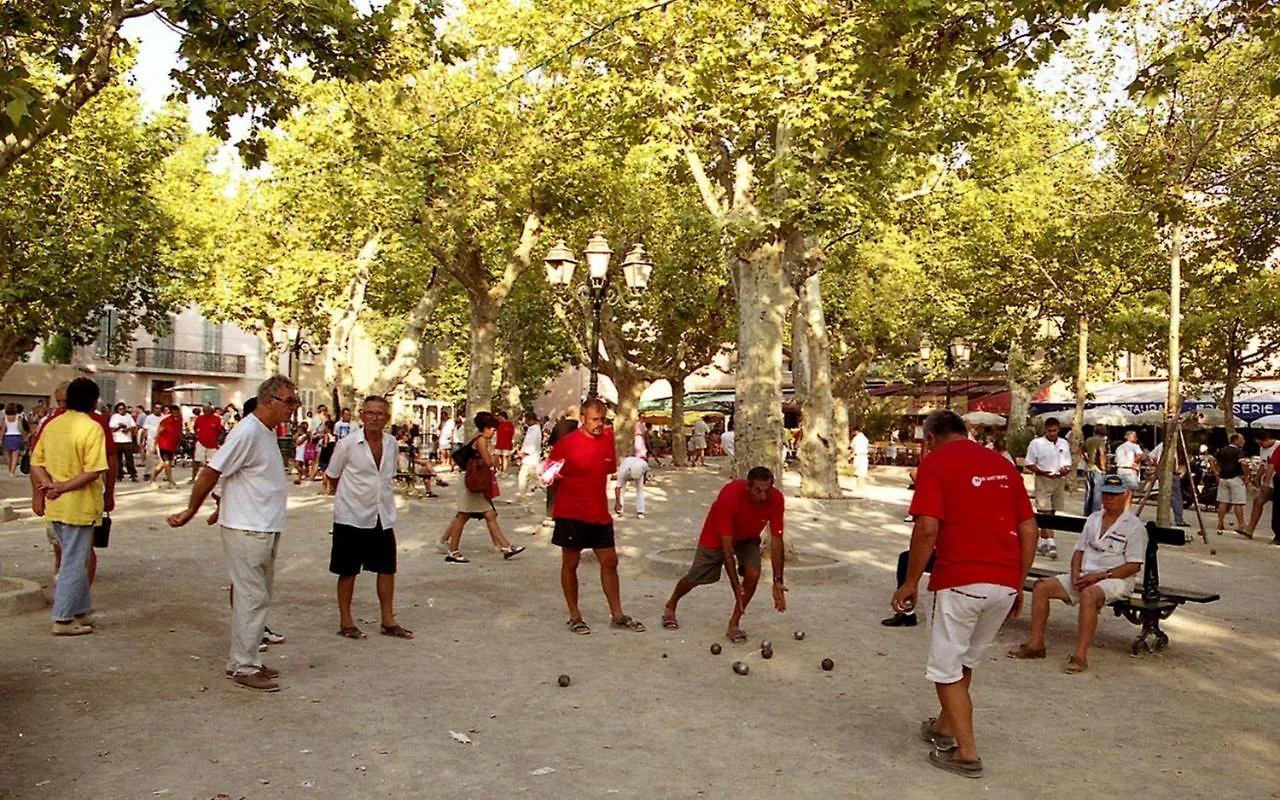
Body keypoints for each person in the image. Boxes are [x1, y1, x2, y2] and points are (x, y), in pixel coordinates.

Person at [890, 410, 1038, 779]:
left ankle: (966, 753)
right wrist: (1017, 582)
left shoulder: (935, 463)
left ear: (930, 438)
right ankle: (943, 725)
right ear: (965, 431)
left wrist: (910, 582)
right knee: (964, 660)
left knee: (945, 668)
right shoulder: (1002, 465)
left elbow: (926, 528)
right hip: (1003, 580)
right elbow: (1030, 530)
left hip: (960, 578)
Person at [167, 375, 299, 693]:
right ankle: (243, 665)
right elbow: (213, 471)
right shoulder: (248, 431)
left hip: (263, 524)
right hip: (247, 528)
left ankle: (246, 657)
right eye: (289, 401)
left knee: (257, 596)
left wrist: (222, 504)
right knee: (251, 597)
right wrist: (190, 510)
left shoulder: (265, 432)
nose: (293, 408)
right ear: (269, 400)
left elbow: (240, 479)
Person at [1009, 474, 1146, 674]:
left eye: (1115, 495)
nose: (1109, 498)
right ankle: (1036, 644)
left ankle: (1080, 655)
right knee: (1041, 587)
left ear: (1125, 495)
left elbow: (1134, 565)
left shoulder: (1134, 526)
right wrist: (1074, 574)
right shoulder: (1093, 518)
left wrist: (1099, 576)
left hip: (1115, 579)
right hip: (1086, 574)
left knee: (1089, 594)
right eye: (1106, 494)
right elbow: (1079, 551)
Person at [549, 398, 644, 635]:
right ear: (583, 418)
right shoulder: (566, 444)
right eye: (595, 419)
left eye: (602, 419)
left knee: (610, 561)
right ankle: (575, 615)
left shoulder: (606, 442)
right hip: (570, 513)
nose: (600, 424)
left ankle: (617, 614)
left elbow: (607, 474)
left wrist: (616, 501)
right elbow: (549, 473)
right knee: (571, 563)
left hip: (598, 513)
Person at [661, 467, 787, 640]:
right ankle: (671, 604)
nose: (763, 496)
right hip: (717, 535)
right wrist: (735, 585)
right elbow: (726, 548)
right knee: (695, 576)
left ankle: (734, 623)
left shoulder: (776, 499)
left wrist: (777, 580)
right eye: (758, 491)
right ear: (748, 487)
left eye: (767, 490)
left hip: (748, 537)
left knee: (754, 573)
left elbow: (777, 541)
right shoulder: (730, 495)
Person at [325, 395, 412, 640]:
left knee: (387, 569)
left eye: (380, 414)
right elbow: (332, 474)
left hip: (382, 514)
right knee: (348, 570)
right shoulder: (348, 444)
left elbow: (388, 475)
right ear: (361, 415)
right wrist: (344, 497)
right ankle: (346, 621)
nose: (374, 417)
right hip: (351, 515)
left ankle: (388, 620)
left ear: (387, 417)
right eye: (370, 412)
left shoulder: (392, 443)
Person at [31, 378, 110, 636]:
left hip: (56, 506)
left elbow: (36, 462)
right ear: (94, 401)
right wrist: (61, 487)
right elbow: (95, 470)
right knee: (74, 563)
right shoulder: (92, 427)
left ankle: (81, 611)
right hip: (78, 506)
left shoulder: (52, 425)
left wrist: (48, 487)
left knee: (74, 558)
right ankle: (62, 619)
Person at [438, 411, 525, 563]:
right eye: (492, 429)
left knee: (485, 514)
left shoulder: (477, 439)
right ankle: (453, 550)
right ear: (485, 428)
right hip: (471, 483)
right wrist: (496, 458)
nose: (494, 432)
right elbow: (488, 461)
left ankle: (505, 546)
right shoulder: (482, 441)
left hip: (471, 481)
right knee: (464, 515)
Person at [1024, 418, 1072, 560]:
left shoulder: (1063, 443)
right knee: (1044, 511)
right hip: (1043, 479)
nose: (1052, 433)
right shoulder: (1036, 443)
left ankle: (1044, 541)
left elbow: (1067, 462)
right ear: (1045, 430)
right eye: (1049, 431)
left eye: (1055, 430)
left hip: (1058, 479)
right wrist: (1041, 472)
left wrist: (1065, 470)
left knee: (1052, 511)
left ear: (1058, 429)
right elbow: (1029, 463)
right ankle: (1051, 542)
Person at [1243, 430, 1278, 538]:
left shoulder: (1278, 447)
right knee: (1258, 501)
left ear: (1267, 440)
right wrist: (1256, 478)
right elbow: (1263, 465)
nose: (1260, 445)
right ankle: (1250, 529)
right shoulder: (1262, 449)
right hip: (1267, 481)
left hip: (1275, 480)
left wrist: (1266, 482)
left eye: (1261, 443)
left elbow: (1272, 466)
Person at [1213, 432, 1247, 535]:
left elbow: (1212, 460)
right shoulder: (1238, 452)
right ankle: (1241, 525)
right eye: (1242, 439)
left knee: (1223, 501)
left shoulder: (1222, 450)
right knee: (1238, 502)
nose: (1244, 442)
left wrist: (1216, 472)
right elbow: (1244, 464)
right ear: (1236, 440)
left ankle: (1220, 523)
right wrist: (1246, 475)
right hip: (1235, 478)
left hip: (1223, 478)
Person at [1148, 439, 1187, 526]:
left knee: (1166, 496)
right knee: (1176, 498)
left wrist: (1157, 466)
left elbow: (1150, 456)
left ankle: (1170, 519)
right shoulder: (1170, 445)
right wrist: (1172, 470)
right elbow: (1172, 460)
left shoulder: (1161, 445)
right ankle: (1178, 519)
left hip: (1163, 473)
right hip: (1170, 474)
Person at [514, 411, 543, 512]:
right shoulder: (534, 429)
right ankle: (522, 499)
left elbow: (530, 445)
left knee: (525, 479)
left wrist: (520, 454)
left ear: (530, 420)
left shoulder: (534, 430)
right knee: (526, 480)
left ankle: (523, 499)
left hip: (530, 459)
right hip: (530, 459)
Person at [149, 405, 182, 490]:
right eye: (173, 412)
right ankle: (170, 481)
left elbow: (179, 433)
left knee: (162, 464)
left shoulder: (179, 420)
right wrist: (154, 445)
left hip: (172, 445)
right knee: (167, 463)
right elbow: (158, 433)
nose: (175, 414)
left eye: (177, 412)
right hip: (164, 444)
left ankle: (152, 479)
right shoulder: (166, 421)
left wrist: (178, 445)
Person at [192, 403, 224, 483]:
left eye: (208, 410)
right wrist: (197, 435)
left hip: (212, 444)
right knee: (196, 460)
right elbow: (195, 428)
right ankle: (193, 477)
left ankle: (208, 478)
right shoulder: (199, 418)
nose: (206, 412)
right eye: (204, 410)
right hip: (201, 442)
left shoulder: (217, 419)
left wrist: (218, 439)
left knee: (211, 462)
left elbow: (220, 430)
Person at [1081, 424, 1108, 516]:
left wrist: (1087, 460)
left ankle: (1086, 511)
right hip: (1097, 469)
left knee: (1088, 490)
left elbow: (1080, 451)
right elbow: (1101, 454)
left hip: (1089, 467)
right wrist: (1103, 467)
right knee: (1097, 491)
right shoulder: (1101, 441)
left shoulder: (1088, 440)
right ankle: (1095, 512)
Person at [614, 453, 650, 519]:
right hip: (627, 471)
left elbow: (645, 471)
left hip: (639, 472)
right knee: (622, 489)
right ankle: (619, 510)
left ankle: (640, 511)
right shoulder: (623, 471)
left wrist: (644, 479)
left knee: (640, 490)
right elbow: (617, 488)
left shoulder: (644, 464)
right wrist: (617, 502)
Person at [4, 402, 27, 476]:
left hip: (7, 437)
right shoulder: (18, 417)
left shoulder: (5, 418)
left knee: (8, 456)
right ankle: (12, 472)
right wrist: (24, 436)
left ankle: (10, 469)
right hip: (16, 436)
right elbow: (20, 428)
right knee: (15, 455)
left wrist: (1, 439)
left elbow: (3, 429)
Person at [850, 424, 870, 496]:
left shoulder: (856, 438)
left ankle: (858, 487)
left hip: (858, 455)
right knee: (862, 472)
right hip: (864, 456)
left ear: (856, 431)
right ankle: (861, 486)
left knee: (858, 472)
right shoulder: (865, 438)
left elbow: (853, 447)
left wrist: (851, 455)